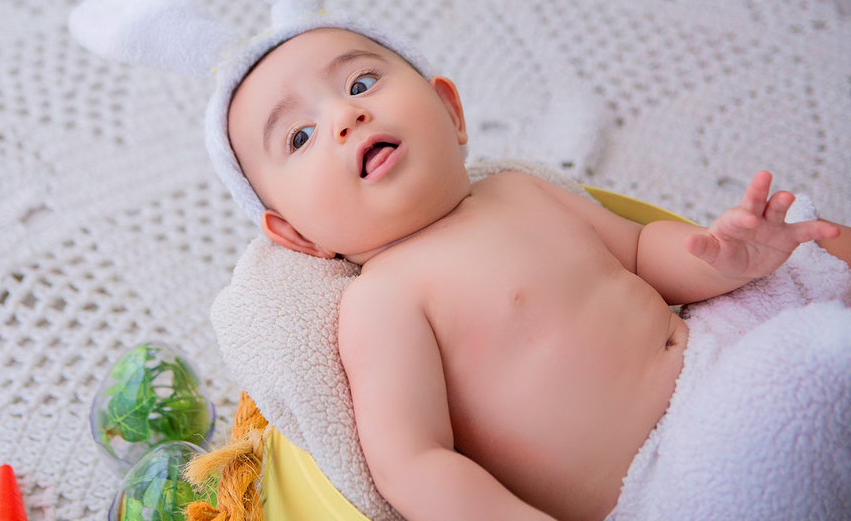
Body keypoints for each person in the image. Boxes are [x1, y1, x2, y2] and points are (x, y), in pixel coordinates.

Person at [225, 25, 851, 521]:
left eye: (361, 83)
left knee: (810, 241)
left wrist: (726, 255)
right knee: (812, 365)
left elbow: (639, 252)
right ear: (298, 236)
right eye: (300, 136)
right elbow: (413, 462)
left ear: (451, 112)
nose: (345, 116)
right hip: (672, 474)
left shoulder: (518, 191)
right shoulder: (384, 301)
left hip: (716, 352)